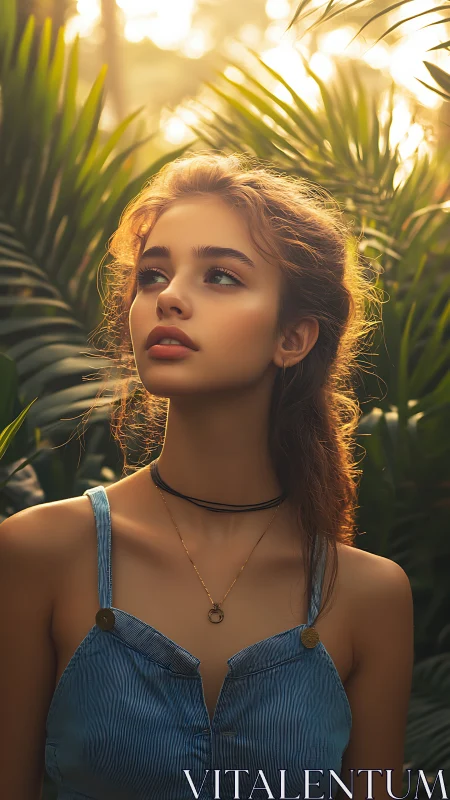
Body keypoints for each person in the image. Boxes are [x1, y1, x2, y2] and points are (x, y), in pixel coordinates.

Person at [0, 152, 414, 800]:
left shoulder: (368, 597)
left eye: (220, 275)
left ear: (294, 337)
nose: (168, 295)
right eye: (152, 274)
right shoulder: (41, 552)